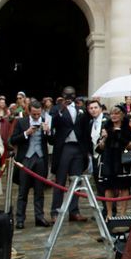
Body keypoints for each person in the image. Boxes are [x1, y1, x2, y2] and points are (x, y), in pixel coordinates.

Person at [49, 86, 91, 222]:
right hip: (64, 147)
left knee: (76, 181)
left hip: (78, 148)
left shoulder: (81, 110)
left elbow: (85, 130)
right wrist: (61, 109)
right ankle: (55, 211)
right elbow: (52, 124)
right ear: (62, 95)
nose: (69, 98)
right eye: (67, 95)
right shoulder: (56, 109)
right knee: (60, 180)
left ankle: (74, 211)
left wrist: (87, 150)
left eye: (72, 95)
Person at [9, 100, 52, 229]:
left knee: (39, 191)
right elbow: (13, 140)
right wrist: (26, 133)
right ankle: (20, 219)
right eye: (34, 114)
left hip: (40, 158)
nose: (37, 116)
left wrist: (48, 131)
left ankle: (39, 217)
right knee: (23, 191)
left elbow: (52, 141)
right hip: (26, 158)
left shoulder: (46, 120)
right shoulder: (21, 122)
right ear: (29, 111)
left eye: (38, 114)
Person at [96, 106, 131, 217]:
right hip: (109, 159)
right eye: (112, 113)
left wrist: (119, 135)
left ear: (122, 115)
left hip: (123, 160)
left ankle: (122, 214)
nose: (114, 116)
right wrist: (104, 138)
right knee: (108, 187)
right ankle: (109, 213)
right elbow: (100, 148)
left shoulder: (127, 127)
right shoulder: (105, 127)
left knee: (124, 187)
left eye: (117, 113)